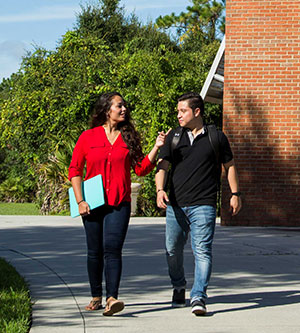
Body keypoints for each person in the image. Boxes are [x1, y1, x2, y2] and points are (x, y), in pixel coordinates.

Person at [69, 92, 168, 316]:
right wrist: (80, 200)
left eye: (124, 106)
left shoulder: (128, 137)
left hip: (119, 203)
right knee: (94, 251)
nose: (124, 109)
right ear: (107, 110)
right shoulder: (88, 137)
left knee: (113, 250)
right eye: (119, 106)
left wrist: (156, 147)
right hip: (92, 203)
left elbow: (141, 168)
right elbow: (75, 169)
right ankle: (96, 296)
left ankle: (112, 298)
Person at [155, 92, 242, 316]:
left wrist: (235, 193)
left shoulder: (216, 137)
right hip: (175, 204)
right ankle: (178, 285)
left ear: (197, 112)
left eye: (182, 111)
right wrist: (159, 190)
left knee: (202, 250)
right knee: (172, 250)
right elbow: (162, 167)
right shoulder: (174, 136)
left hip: (204, 204)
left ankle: (198, 296)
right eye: (177, 111)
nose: (178, 115)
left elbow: (229, 165)